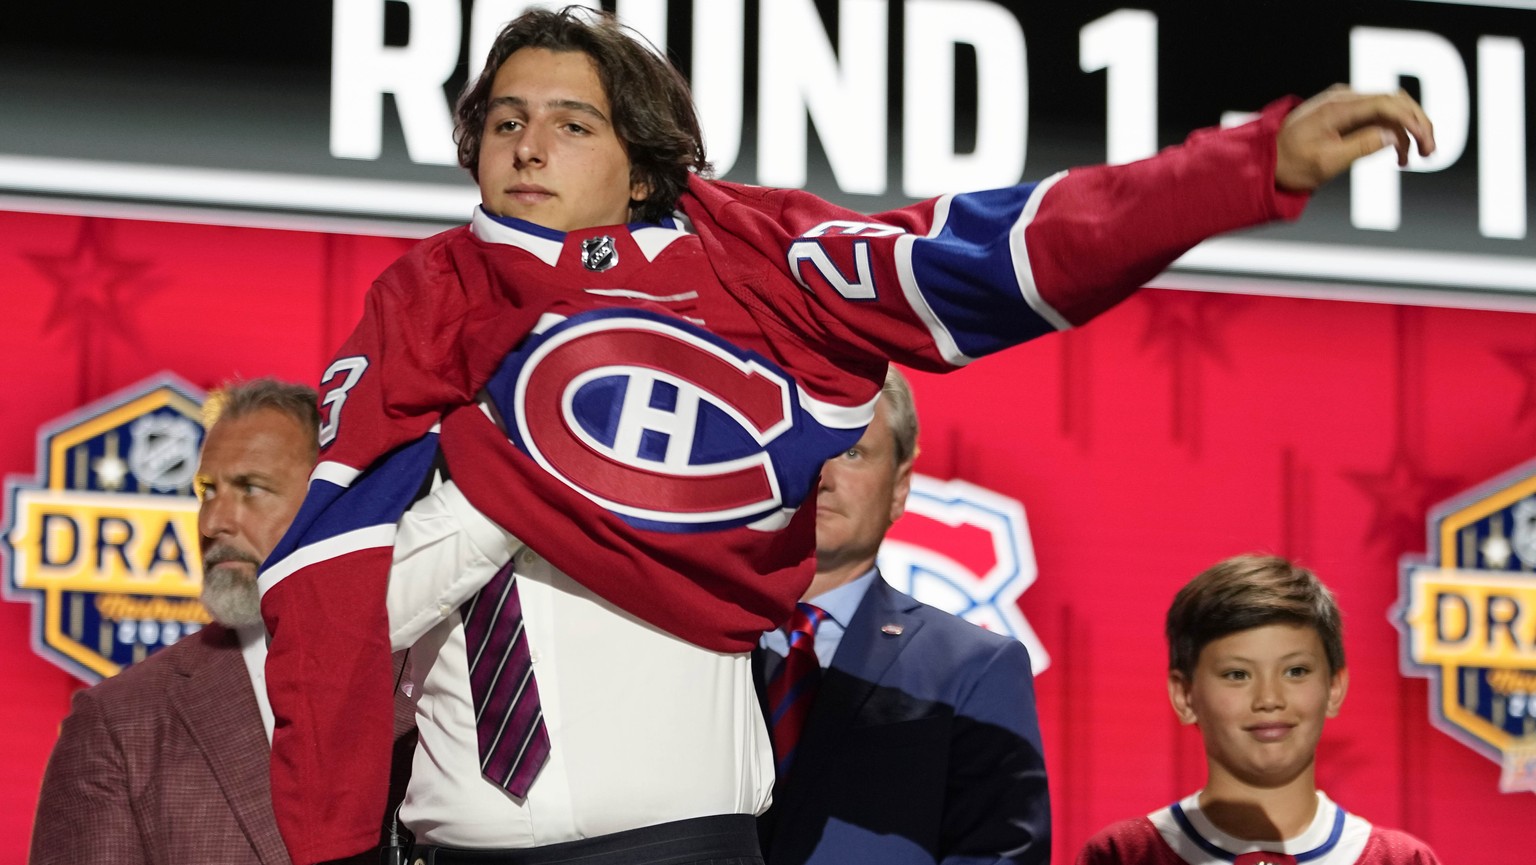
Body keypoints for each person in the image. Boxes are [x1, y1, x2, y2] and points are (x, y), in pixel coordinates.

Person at [255, 7, 1436, 865]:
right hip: (449, 845)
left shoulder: (758, 275)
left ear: (644, 161)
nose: (526, 146)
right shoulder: (421, 315)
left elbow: (991, 248)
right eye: (505, 120)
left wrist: (1242, 169)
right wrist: (495, 496)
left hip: (682, 844)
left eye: (571, 123)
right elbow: (329, 607)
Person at [28, 379, 413, 865]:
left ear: (335, 498)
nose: (212, 523)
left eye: (251, 488)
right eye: (206, 491)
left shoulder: (442, 663)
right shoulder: (122, 721)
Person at [754, 367, 1048, 864]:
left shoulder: (974, 667)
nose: (822, 477)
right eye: (801, 444)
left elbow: (999, 854)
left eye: (852, 452)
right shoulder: (691, 643)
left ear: (899, 487)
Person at [1075, 554, 1442, 864]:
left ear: (1334, 688)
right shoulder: (1127, 855)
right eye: (1237, 674)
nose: (1269, 698)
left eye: (1295, 671)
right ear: (1185, 695)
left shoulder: (1398, 859)